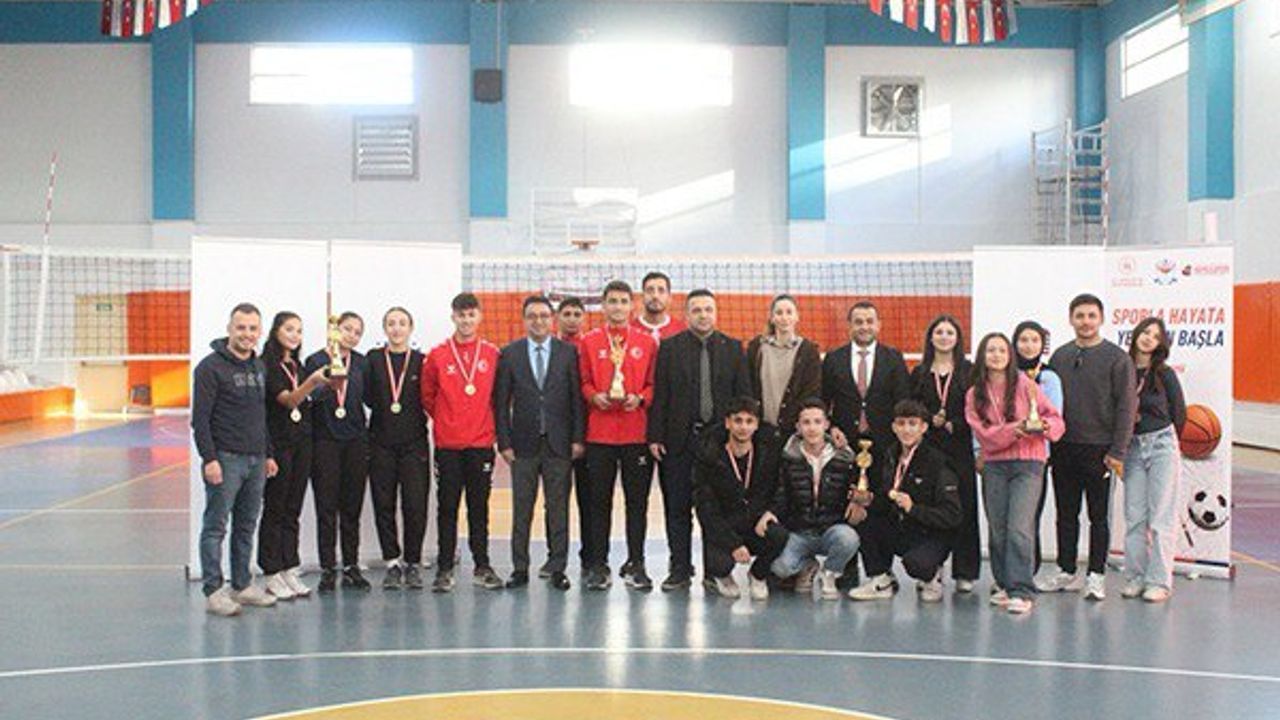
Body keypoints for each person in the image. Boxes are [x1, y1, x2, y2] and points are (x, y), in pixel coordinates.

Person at [648, 289, 750, 591]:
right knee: (677, 508)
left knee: (715, 510)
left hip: (718, 444)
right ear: (686, 315)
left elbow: (743, 397)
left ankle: (714, 571)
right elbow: (661, 395)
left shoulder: (733, 348)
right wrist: (655, 435)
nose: (703, 315)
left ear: (715, 313)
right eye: (697, 310)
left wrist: (741, 436)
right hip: (679, 441)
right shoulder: (669, 348)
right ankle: (680, 569)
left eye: (708, 309)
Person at [1041, 293, 1137, 601]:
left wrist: (1117, 451)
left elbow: (1126, 407)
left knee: (1098, 516)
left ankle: (1096, 575)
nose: (1085, 321)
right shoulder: (1060, 356)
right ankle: (1066, 569)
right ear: (1071, 319)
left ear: (1101, 319)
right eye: (1080, 316)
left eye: (1091, 315)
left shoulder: (1118, 359)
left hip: (1100, 451)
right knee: (1066, 514)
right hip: (1064, 449)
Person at [965, 332, 1065, 615]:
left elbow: (1054, 418)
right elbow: (984, 435)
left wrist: (1044, 427)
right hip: (994, 465)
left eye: (1001, 350)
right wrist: (1015, 430)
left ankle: (1021, 590)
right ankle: (1004, 583)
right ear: (982, 356)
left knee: (1019, 528)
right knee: (998, 530)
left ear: (1010, 355)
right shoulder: (974, 394)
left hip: (1029, 464)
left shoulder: (1027, 385)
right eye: (991, 350)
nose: (996, 355)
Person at [192, 302, 279, 616]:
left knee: (246, 525)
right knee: (215, 526)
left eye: (253, 328)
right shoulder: (209, 368)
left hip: (256, 460)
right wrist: (209, 459)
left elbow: (261, 415)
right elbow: (200, 420)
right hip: (225, 459)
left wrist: (268, 453)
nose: (247, 334)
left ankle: (241, 586)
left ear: (260, 332)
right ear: (229, 329)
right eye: (241, 327)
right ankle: (214, 591)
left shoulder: (259, 367)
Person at [495, 295, 585, 591]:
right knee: (522, 509)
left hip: (559, 444)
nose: (538, 321)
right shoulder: (510, 354)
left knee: (558, 509)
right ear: (524, 320)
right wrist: (504, 443)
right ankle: (520, 568)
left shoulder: (568, 353)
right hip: (523, 445)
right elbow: (500, 403)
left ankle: (557, 567)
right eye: (532, 316)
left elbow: (576, 400)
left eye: (544, 316)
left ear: (552, 319)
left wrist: (577, 438)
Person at [822, 300, 910, 589]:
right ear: (849, 325)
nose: (864, 326)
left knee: (880, 507)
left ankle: (881, 571)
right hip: (845, 447)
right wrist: (831, 428)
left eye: (869, 321)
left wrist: (899, 440)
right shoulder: (833, 359)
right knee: (844, 504)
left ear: (878, 325)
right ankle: (846, 571)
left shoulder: (893, 358)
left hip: (883, 446)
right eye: (858, 321)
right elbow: (823, 401)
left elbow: (903, 401)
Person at [579, 280, 659, 591]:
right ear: (603, 305)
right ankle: (599, 565)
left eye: (624, 301)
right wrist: (592, 396)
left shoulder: (647, 342)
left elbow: (653, 385)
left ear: (632, 306)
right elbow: (583, 381)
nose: (618, 307)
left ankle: (636, 563)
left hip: (635, 434)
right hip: (599, 435)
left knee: (637, 503)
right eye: (612, 301)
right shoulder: (589, 341)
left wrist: (640, 398)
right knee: (599, 502)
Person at [421, 292, 503, 593]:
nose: (466, 320)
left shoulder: (492, 354)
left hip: (481, 444)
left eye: (471, 315)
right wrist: (448, 420)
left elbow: (499, 397)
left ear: (479, 316)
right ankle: (445, 567)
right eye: (461, 315)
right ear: (453, 316)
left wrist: (484, 425)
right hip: (449, 446)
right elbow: (427, 396)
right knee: (447, 507)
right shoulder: (437, 355)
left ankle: (482, 565)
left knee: (478, 508)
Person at [848, 400, 962, 603]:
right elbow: (887, 498)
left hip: (931, 534)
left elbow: (952, 515)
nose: (906, 430)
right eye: (901, 423)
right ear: (893, 427)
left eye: (912, 424)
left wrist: (913, 508)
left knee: (917, 564)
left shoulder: (938, 461)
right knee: (864, 519)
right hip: (903, 528)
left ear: (923, 427)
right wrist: (869, 500)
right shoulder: (891, 455)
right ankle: (881, 580)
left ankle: (931, 577)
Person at [259, 311, 327, 600]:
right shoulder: (267, 366)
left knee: (293, 509)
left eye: (299, 331)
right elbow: (288, 401)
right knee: (275, 508)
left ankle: (289, 567)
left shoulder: (297, 366)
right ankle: (271, 571)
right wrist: (312, 382)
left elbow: (305, 403)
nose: (295, 335)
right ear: (276, 331)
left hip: (302, 445)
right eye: (289, 329)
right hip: (279, 445)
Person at [304, 310, 372, 592]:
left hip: (355, 441)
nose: (352, 335)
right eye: (347, 329)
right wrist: (329, 384)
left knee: (351, 508)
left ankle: (351, 566)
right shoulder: (315, 361)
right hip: (325, 442)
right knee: (326, 507)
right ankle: (328, 568)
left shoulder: (362, 362)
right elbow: (309, 397)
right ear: (335, 330)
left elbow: (369, 398)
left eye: (357, 332)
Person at [909, 314, 978, 593]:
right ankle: (932, 567)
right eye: (939, 332)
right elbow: (912, 408)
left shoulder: (969, 371)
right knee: (932, 507)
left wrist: (954, 424)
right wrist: (928, 420)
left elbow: (979, 409)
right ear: (931, 338)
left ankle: (965, 571)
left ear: (957, 338)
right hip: (929, 450)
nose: (944, 337)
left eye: (950, 332)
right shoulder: (919, 372)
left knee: (965, 507)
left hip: (960, 447)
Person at [768, 399, 862, 601]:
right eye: (806, 422)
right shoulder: (787, 457)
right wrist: (771, 513)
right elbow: (781, 494)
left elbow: (857, 489)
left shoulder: (845, 457)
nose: (812, 428)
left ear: (826, 425)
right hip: (799, 532)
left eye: (817, 422)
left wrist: (858, 500)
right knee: (780, 568)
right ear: (798, 427)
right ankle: (807, 564)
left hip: (831, 529)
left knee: (849, 539)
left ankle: (830, 573)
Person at [693, 396, 786, 601]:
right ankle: (723, 576)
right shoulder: (710, 457)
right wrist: (733, 544)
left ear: (756, 425)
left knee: (779, 535)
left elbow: (781, 491)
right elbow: (706, 509)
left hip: (756, 523)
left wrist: (770, 512)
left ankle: (758, 575)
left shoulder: (768, 454)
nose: (743, 427)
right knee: (719, 563)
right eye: (738, 421)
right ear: (728, 423)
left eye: (749, 421)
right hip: (727, 526)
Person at [1121, 317, 1186, 604]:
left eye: (1156, 336)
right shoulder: (1122, 370)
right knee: (1135, 517)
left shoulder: (1165, 374)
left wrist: (1168, 442)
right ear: (1136, 334)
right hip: (1132, 448)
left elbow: (1179, 413)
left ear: (1161, 344)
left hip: (1161, 444)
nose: (1149, 338)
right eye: (1146, 332)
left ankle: (1159, 581)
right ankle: (1135, 577)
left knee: (1161, 517)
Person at [366, 307, 431, 591]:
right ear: (384, 328)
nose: (396, 328)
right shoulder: (372, 359)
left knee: (415, 504)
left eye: (402, 323)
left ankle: (413, 562)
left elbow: (429, 397)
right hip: (380, 442)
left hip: (414, 443)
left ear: (411, 328)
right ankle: (392, 562)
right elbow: (368, 397)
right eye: (391, 323)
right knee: (384, 503)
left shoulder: (421, 361)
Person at [1012, 320, 1064, 576]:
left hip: (1035, 458)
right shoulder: (1004, 374)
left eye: (1034, 340)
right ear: (1014, 343)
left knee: (1028, 518)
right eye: (1023, 340)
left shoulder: (1050, 377)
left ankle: (1027, 573)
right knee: (1005, 519)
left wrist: (1039, 427)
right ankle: (1006, 574)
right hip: (1004, 454)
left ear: (1042, 345)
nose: (1029, 345)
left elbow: (1055, 416)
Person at [746, 294, 822, 449]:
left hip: (794, 432)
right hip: (761, 431)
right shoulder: (757, 347)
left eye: (789, 312)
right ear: (772, 318)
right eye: (779, 313)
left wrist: (798, 424)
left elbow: (811, 392)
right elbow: (749, 386)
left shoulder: (808, 351)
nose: (784, 317)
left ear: (797, 317)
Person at [556, 296, 592, 576]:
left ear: (584, 318)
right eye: (566, 314)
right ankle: (556, 557)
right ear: (558, 318)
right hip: (556, 435)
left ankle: (589, 555)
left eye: (576, 314)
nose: (571, 319)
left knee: (588, 498)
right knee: (556, 500)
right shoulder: (549, 348)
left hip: (589, 435)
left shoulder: (590, 346)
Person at [631, 270, 687, 343]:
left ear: (669, 297)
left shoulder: (681, 330)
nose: (655, 296)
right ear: (642, 296)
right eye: (650, 290)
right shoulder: (631, 329)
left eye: (661, 290)